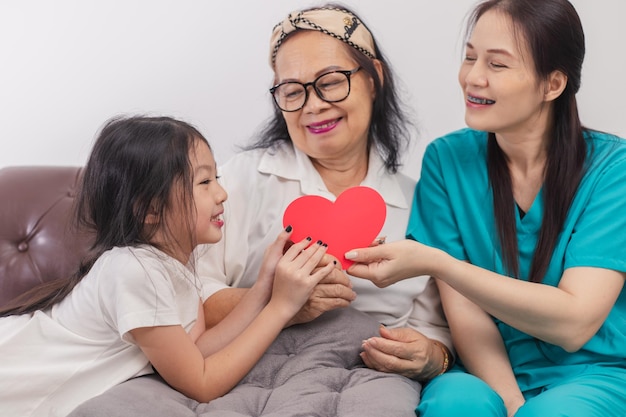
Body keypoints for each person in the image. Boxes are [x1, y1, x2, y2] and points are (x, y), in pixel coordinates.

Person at [344, 0, 626, 416]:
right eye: (470, 57)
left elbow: (574, 323)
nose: (473, 78)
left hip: (593, 372)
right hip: (485, 371)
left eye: (497, 65)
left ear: (553, 84)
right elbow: (466, 314)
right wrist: (511, 404)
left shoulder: (612, 170)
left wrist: (439, 263)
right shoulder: (446, 160)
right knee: (455, 404)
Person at [0, 115, 336, 417]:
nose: (222, 194)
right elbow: (201, 383)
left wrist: (266, 284)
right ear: (149, 210)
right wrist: (281, 307)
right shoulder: (132, 270)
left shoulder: (175, 266)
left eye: (216, 177)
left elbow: (198, 349)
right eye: (204, 182)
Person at [197, 4, 452, 384]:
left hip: (367, 384)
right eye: (292, 90)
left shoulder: (419, 202)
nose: (313, 105)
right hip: (249, 375)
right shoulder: (238, 182)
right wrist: (281, 301)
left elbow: (438, 328)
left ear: (373, 78)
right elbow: (188, 295)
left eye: (330, 82)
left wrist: (431, 356)